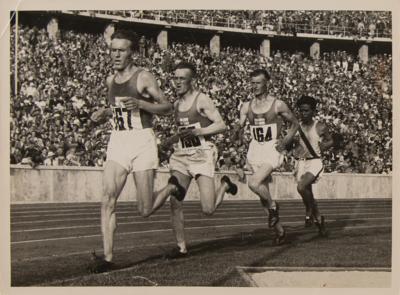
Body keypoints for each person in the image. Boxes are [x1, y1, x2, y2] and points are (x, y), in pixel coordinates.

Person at [89, 30, 184, 272]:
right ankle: (108, 258)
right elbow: (118, 108)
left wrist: (142, 104)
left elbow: (167, 107)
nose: (116, 54)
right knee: (107, 198)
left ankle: (172, 186)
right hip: (118, 142)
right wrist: (104, 114)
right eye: (113, 50)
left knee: (144, 210)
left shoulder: (143, 77)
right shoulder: (110, 80)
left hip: (142, 142)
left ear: (132, 52)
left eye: (121, 50)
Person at [162, 62, 238, 258]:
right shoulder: (177, 104)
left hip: (202, 153)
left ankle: (224, 185)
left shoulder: (202, 99)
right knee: (175, 199)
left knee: (208, 209)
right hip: (183, 155)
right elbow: (184, 133)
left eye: (181, 79)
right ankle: (181, 247)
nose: (177, 82)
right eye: (175, 78)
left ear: (191, 81)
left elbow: (221, 125)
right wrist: (170, 140)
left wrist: (199, 131)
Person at [235, 69, 299, 246]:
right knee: (263, 194)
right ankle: (280, 231)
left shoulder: (278, 105)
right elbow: (239, 126)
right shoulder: (246, 106)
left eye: (258, 83)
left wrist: (286, 140)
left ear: (266, 83)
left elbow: (295, 123)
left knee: (254, 183)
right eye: (252, 83)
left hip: (272, 147)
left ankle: (274, 207)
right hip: (255, 149)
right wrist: (236, 131)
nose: (254, 86)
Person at [293, 95, 334, 236]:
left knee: (301, 187)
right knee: (307, 193)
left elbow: (330, 141)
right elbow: (295, 144)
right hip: (301, 162)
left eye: (306, 111)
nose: (303, 113)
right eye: (301, 111)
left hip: (315, 161)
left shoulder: (320, 126)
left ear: (313, 111)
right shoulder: (297, 126)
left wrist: (321, 148)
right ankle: (319, 220)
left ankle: (310, 212)